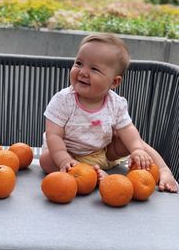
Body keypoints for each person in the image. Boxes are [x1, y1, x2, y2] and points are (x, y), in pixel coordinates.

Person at [39, 33, 178, 193]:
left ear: (114, 82)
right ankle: (90, 175)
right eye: (79, 63)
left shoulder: (116, 103)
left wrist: (136, 149)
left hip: (104, 152)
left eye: (94, 69)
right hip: (69, 153)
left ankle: (164, 170)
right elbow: (53, 135)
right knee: (47, 160)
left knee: (135, 142)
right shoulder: (64, 100)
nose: (83, 72)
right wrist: (64, 159)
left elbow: (128, 129)